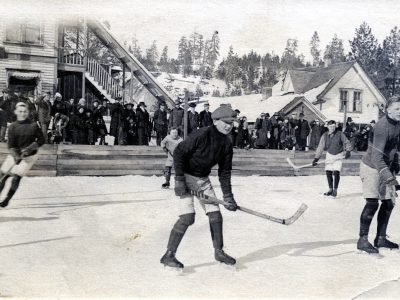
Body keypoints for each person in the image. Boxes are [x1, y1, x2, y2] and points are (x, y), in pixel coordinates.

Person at [160, 105, 239, 269]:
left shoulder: (227, 143)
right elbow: (179, 152)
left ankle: (219, 251)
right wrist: (180, 180)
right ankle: (169, 255)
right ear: (216, 121)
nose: (229, 126)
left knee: (215, 215)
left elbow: (224, 172)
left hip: (202, 180)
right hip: (186, 175)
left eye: (232, 123)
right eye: (225, 122)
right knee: (187, 218)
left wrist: (228, 196)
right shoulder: (201, 134)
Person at [356, 95, 400, 254]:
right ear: (387, 110)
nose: (399, 112)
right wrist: (389, 177)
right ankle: (362, 240)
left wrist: (395, 164)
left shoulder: (397, 124)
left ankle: (380, 238)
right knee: (372, 202)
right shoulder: (382, 127)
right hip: (371, 167)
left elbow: (394, 148)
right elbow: (376, 157)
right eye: (396, 109)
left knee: (388, 203)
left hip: (385, 167)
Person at [0, 102, 45, 207]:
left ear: (28, 112)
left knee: (16, 177)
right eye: (20, 111)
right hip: (15, 154)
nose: (23, 114)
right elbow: (11, 145)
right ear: (16, 112)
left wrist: (29, 150)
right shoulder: (12, 127)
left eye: (25, 111)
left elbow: (42, 140)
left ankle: (7, 199)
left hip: (29, 157)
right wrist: (16, 155)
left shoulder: (33, 125)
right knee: (3, 175)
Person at [312, 120, 351, 197]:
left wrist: (348, 151)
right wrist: (316, 158)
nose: (332, 128)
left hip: (339, 155)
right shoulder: (324, 135)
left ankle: (335, 190)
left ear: (335, 126)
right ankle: (330, 189)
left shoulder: (340, 134)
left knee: (336, 172)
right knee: (328, 171)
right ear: (328, 127)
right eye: (331, 126)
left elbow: (346, 142)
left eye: (333, 126)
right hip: (329, 154)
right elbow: (320, 147)